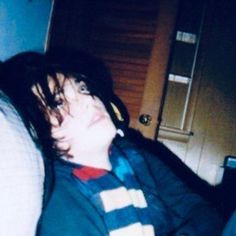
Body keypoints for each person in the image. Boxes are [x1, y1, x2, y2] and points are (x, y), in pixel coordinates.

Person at [0, 49, 224, 236]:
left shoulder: (134, 154)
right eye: (58, 103)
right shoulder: (64, 199)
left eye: (82, 88)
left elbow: (203, 213)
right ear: (39, 130)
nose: (90, 100)